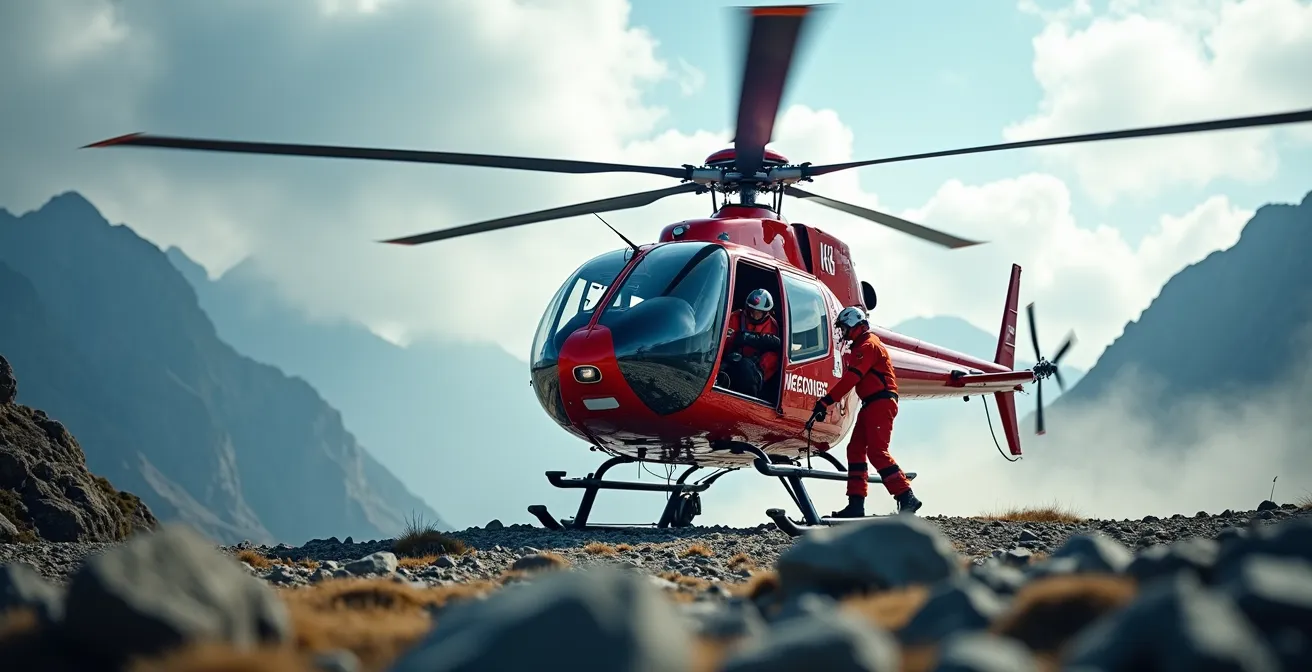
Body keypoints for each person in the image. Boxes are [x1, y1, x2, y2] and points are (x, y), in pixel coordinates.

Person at [809, 305, 923, 517]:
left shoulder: (867, 346)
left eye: (844, 327)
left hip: (880, 403)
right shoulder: (865, 345)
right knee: (855, 450)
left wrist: (826, 402)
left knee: (877, 452)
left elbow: (851, 379)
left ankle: (906, 496)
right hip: (871, 403)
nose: (842, 332)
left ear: (853, 325)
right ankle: (856, 504)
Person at [720, 288, 782, 399]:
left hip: (753, 369)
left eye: (759, 312)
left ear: (766, 312)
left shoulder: (772, 326)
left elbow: (773, 352)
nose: (754, 315)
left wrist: (759, 371)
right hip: (730, 360)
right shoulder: (735, 317)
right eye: (752, 311)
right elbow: (723, 339)